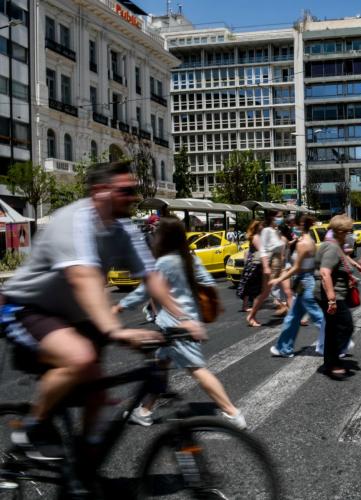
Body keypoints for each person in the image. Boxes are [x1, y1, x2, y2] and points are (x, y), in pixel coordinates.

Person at [0, 160, 202, 460]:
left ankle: (84, 464)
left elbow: (152, 277)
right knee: (80, 357)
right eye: (126, 190)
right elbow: (84, 278)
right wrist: (114, 330)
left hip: (74, 316)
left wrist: (183, 319)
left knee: (97, 390)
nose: (133, 196)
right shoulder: (74, 221)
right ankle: (32, 428)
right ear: (100, 191)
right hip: (27, 308)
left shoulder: (123, 228)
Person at [114, 218, 246, 429]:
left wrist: (119, 306)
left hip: (178, 325)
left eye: (157, 234)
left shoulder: (165, 262)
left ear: (163, 238)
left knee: (197, 369)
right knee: (160, 366)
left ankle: (232, 412)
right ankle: (145, 411)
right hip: (186, 321)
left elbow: (145, 290)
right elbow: (209, 284)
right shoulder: (189, 259)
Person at [269, 215, 325, 358]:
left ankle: (340, 343)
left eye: (294, 224)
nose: (292, 227)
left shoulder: (303, 243)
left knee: (318, 317)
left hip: (305, 281)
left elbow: (296, 268)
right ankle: (284, 348)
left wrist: (279, 278)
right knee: (293, 317)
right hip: (304, 281)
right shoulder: (310, 240)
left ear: (300, 225)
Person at [316, 215, 357, 379]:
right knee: (345, 326)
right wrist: (332, 299)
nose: (350, 234)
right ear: (340, 231)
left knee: (333, 329)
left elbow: (340, 261)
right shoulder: (332, 247)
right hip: (333, 295)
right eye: (348, 231)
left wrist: (353, 266)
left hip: (334, 294)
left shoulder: (335, 244)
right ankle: (333, 361)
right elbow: (325, 272)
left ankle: (331, 364)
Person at [246, 212, 286, 327]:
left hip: (277, 261)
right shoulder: (267, 231)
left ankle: (288, 311)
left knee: (270, 291)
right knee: (265, 292)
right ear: (272, 218)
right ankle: (251, 315)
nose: (280, 218)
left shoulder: (275, 230)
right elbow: (263, 250)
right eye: (278, 216)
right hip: (271, 261)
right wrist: (266, 266)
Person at [237, 220, 263, 313]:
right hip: (254, 264)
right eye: (261, 225)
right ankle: (251, 308)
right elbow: (262, 250)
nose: (262, 227)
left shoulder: (254, 237)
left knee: (248, 285)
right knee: (254, 286)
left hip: (250, 263)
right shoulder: (256, 237)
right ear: (257, 227)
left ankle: (245, 306)